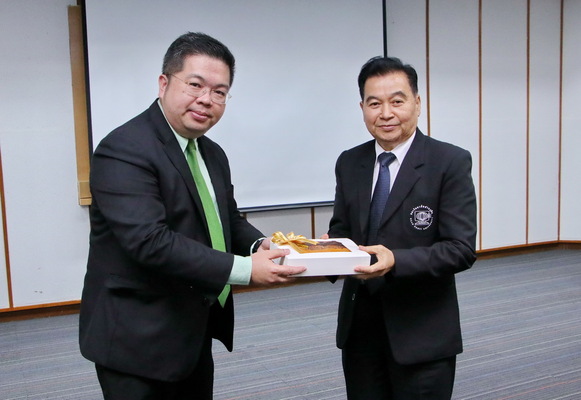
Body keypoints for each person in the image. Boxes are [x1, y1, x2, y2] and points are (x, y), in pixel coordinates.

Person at [79, 32, 305, 400]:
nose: (206, 99)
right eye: (195, 85)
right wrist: (246, 269)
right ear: (164, 83)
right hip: (136, 338)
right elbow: (150, 242)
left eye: (220, 92)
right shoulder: (124, 148)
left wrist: (263, 245)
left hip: (191, 326)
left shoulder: (210, 152)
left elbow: (227, 218)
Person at [327, 56, 477, 399]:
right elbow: (342, 230)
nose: (386, 113)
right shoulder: (350, 161)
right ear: (362, 108)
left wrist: (395, 260)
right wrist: (324, 251)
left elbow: (460, 249)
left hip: (421, 330)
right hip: (360, 328)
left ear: (417, 103)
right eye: (374, 104)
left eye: (397, 101)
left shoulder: (449, 162)